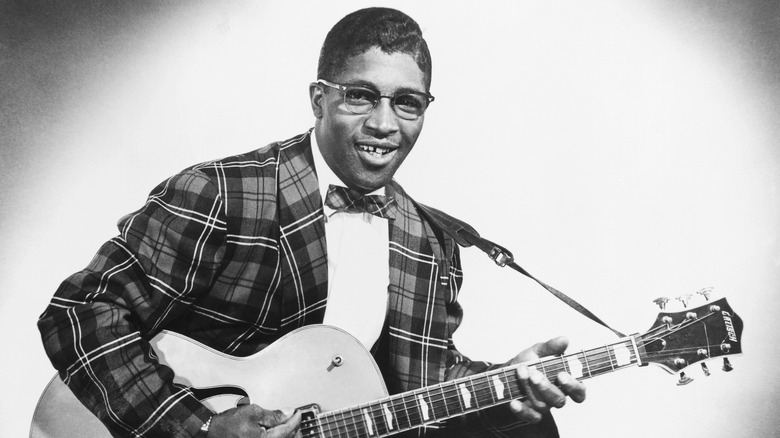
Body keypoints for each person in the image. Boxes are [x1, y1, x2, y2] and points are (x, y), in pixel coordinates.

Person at [38, 7, 585, 437]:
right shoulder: (225, 193)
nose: (384, 124)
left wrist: (509, 378)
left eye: (408, 103)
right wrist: (198, 427)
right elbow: (83, 313)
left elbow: (424, 376)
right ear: (318, 99)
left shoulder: (429, 239)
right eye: (361, 96)